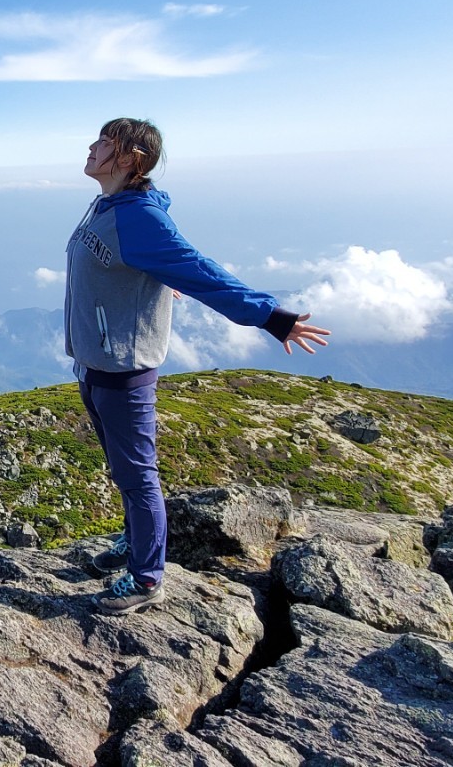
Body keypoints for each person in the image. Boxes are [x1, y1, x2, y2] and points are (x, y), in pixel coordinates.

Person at [66, 117, 330, 614]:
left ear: (130, 159)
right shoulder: (105, 206)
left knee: (139, 474)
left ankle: (147, 579)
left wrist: (271, 316)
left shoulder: (139, 217)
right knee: (125, 471)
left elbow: (200, 270)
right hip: (95, 364)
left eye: (104, 141)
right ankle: (134, 540)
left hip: (124, 370)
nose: (92, 146)